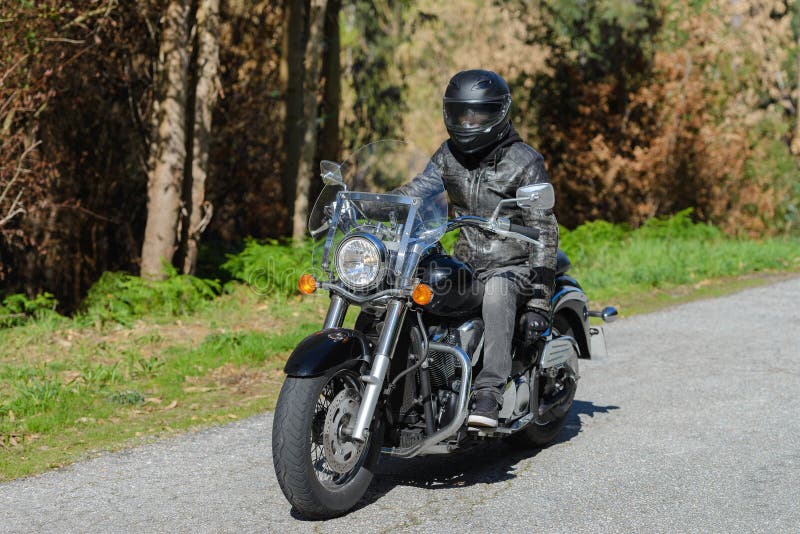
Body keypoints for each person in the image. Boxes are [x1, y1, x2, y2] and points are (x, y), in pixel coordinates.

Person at [393, 69, 558, 428]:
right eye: (460, 114)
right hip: (465, 262)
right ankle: (400, 388)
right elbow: (418, 190)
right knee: (407, 290)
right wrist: (378, 204)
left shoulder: (524, 161)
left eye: (477, 115)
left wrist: (541, 302)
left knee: (497, 293)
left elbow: (545, 229)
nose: (467, 123)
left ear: (498, 113)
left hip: (511, 265)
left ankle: (488, 393)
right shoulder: (448, 155)